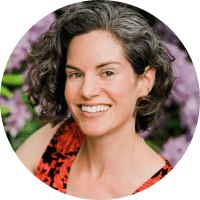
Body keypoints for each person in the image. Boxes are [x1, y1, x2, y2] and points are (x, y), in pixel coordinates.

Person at [15, 1, 174, 199]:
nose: (87, 91)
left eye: (107, 72)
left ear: (145, 81)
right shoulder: (55, 140)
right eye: (75, 74)